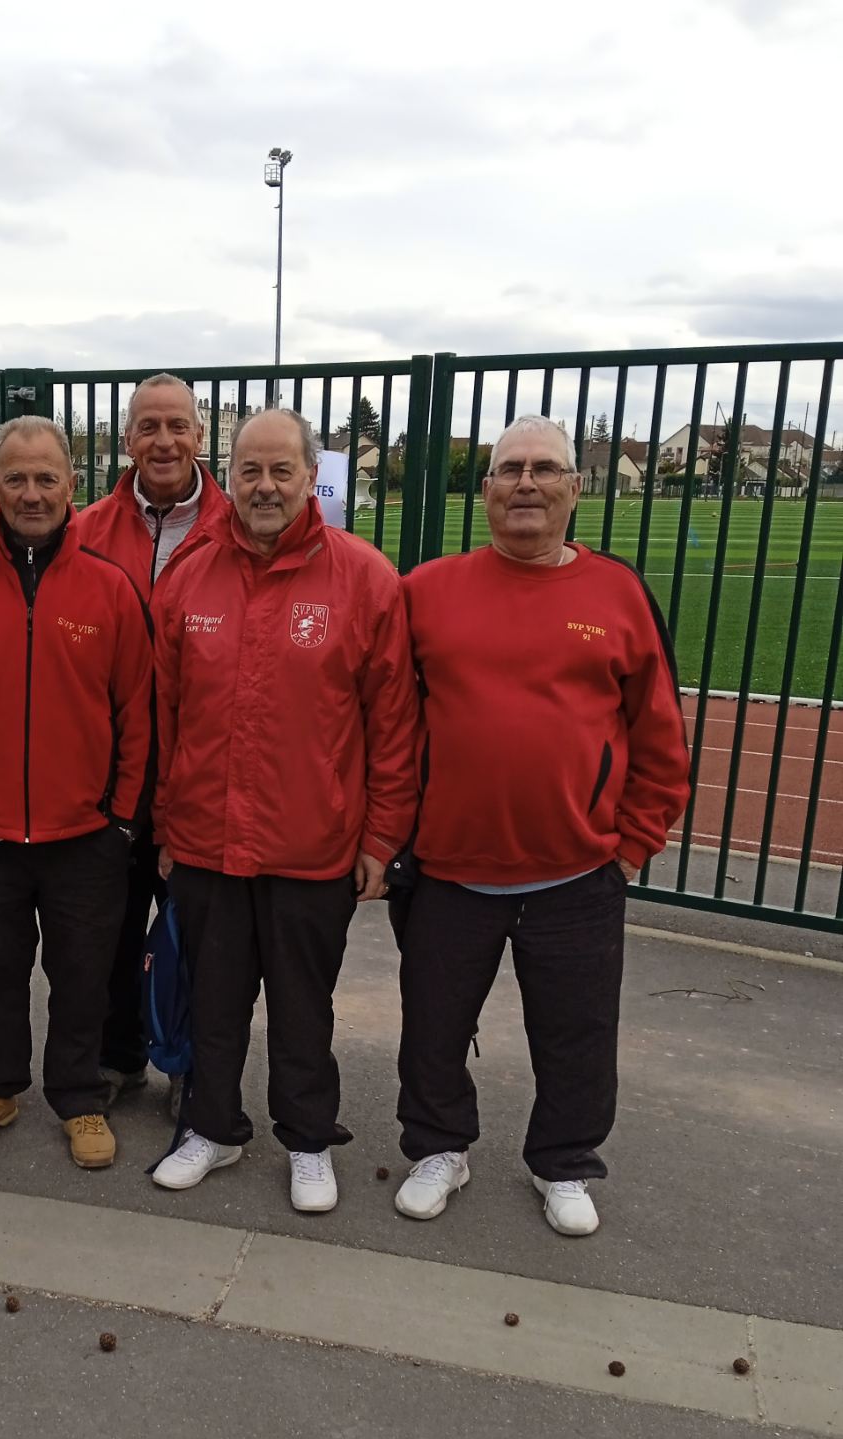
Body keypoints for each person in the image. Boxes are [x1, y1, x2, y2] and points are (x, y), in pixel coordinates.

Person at [394, 413, 690, 1236]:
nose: (526, 482)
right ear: (485, 489)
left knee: (578, 1033)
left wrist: (630, 847)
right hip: (451, 868)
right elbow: (382, 720)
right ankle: (437, 1148)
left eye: (545, 469)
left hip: (576, 874)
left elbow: (660, 732)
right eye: (509, 469)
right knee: (434, 1023)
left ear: (575, 486)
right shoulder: (426, 591)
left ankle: (564, 1164)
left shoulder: (618, 592)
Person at [150, 408, 418, 1214]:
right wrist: (166, 826)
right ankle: (213, 1129)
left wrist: (381, 837)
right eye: (249, 471)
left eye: (281, 472)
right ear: (229, 476)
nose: (264, 487)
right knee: (215, 999)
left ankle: (308, 1140)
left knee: (305, 1010)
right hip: (205, 841)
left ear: (312, 478)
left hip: (314, 846)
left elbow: (394, 724)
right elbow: (164, 717)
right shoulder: (189, 576)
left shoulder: (365, 579)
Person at [0, 416, 154, 1170]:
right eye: (16, 478)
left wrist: (121, 819)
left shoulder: (111, 587)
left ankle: (80, 1097)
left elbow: (136, 714)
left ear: (72, 486)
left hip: (84, 834)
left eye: (46, 478)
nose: (32, 493)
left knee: (83, 977)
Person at [78, 374, 227, 1109]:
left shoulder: (237, 527)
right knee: (109, 926)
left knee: (193, 932)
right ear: (127, 440)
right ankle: (117, 1053)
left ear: (201, 436)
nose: (163, 441)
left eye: (178, 426)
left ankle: (187, 1063)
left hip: (203, 772)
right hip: (109, 773)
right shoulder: (87, 529)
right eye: (148, 427)